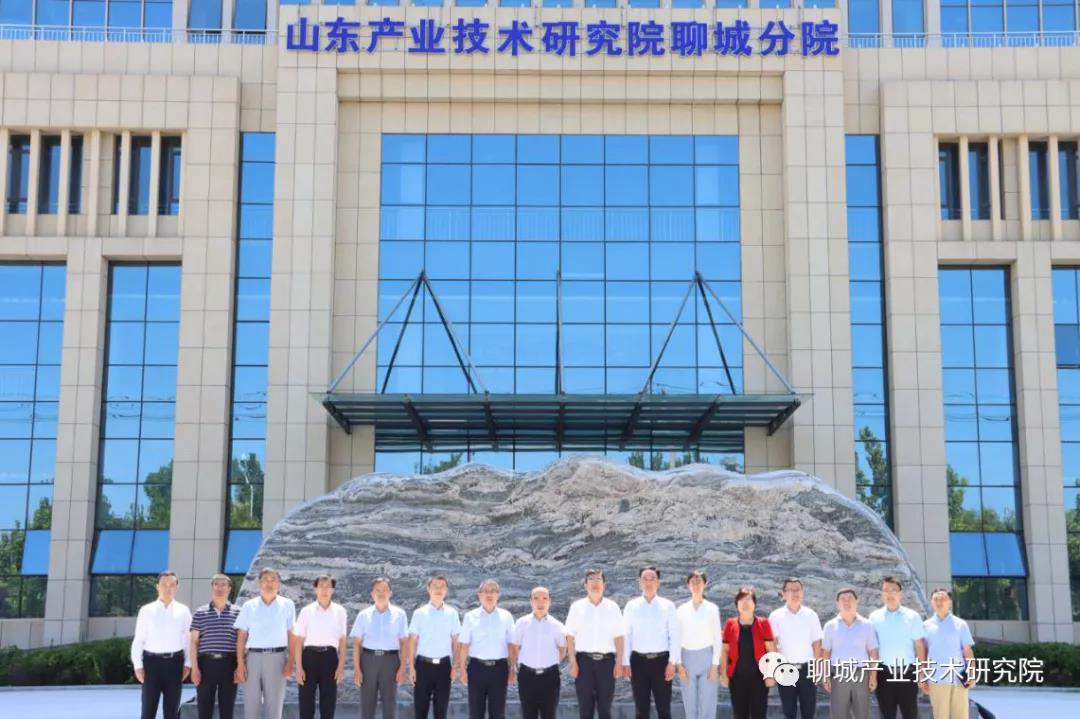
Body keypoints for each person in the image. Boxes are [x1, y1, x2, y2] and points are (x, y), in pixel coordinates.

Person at [235, 567, 297, 719]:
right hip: (253, 658)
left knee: (274, 704)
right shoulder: (249, 606)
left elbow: (292, 635)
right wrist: (240, 664)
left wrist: (291, 662)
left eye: (273, 580)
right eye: (265, 580)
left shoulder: (287, 604)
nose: (269, 583)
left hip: (278, 657)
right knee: (251, 704)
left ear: (279, 583)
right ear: (259, 583)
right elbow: (241, 636)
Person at [131, 570, 192, 719]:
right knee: (148, 710)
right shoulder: (146, 610)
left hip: (175, 663)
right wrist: (138, 665)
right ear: (157, 586)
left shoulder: (183, 611)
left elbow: (189, 640)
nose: (168, 588)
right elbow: (139, 639)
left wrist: (188, 664)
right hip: (151, 664)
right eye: (164, 584)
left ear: (176, 587)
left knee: (171, 711)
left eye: (172, 584)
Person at [564, 568, 625, 719]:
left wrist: (619, 663)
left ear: (604, 585)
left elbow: (619, 636)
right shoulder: (577, 607)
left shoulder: (613, 607)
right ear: (585, 585)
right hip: (583, 663)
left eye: (598, 579)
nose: (595, 582)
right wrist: (573, 662)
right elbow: (570, 636)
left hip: (607, 664)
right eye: (591, 579)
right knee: (585, 709)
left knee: (605, 709)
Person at [622, 565, 680, 719]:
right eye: (645, 579)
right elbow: (626, 636)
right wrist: (625, 662)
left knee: (664, 710)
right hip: (638, 662)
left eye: (652, 578)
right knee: (641, 710)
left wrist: (672, 662)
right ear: (640, 582)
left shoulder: (668, 606)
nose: (648, 582)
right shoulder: (631, 606)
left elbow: (674, 636)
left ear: (658, 582)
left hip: (661, 662)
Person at [868, 576, 926, 719]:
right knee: (886, 714)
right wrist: (873, 675)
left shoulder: (912, 616)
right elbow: (872, 649)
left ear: (900, 593)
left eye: (893, 590)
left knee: (910, 714)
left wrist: (922, 673)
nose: (890, 593)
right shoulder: (874, 617)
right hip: (884, 673)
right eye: (886, 590)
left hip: (908, 673)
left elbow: (919, 645)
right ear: (882, 594)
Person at [352, 576, 409, 719]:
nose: (381, 593)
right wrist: (357, 669)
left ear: (390, 593)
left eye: (384, 590)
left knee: (390, 705)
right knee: (367, 705)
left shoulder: (400, 615)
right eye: (377, 590)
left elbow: (404, 643)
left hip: (391, 661)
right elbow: (357, 644)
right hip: (368, 661)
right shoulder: (363, 615)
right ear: (372, 594)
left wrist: (403, 667)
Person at [457, 578, 516, 719]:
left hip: (499, 669)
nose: (489, 594)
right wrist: (462, 669)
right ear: (479, 595)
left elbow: (511, 644)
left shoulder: (506, 616)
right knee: (475, 713)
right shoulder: (470, 616)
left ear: (498, 595)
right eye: (485, 591)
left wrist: (513, 668)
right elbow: (464, 645)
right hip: (476, 669)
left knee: (498, 713)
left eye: (493, 591)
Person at [293, 575, 347, 719]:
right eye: (321, 586)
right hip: (309, 658)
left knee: (328, 703)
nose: (324, 589)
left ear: (333, 590)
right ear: (315, 589)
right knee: (306, 703)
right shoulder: (306, 611)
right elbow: (298, 640)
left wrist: (341, 666)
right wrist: (298, 667)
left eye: (328, 586)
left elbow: (342, 640)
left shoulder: (340, 611)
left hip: (330, 658)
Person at [768, 578, 823, 719]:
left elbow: (817, 643)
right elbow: (773, 644)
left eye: (798, 589)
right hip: (785, 669)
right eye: (791, 590)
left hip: (808, 669)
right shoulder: (775, 616)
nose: (795, 593)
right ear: (783, 594)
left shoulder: (811, 615)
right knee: (789, 711)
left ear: (802, 592)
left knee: (809, 711)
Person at [407, 575, 461, 719]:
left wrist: (455, 666)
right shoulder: (419, 613)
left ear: (446, 590)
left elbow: (456, 641)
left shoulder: (452, 614)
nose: (438, 589)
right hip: (422, 666)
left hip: (444, 667)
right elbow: (412, 641)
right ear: (428, 589)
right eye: (435, 586)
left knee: (441, 711)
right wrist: (411, 667)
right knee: (420, 710)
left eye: (442, 586)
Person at [510, 586, 567, 719]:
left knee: (549, 715)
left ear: (550, 601)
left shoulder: (557, 625)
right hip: (527, 677)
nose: (540, 602)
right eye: (536, 598)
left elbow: (563, 649)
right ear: (531, 601)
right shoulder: (522, 623)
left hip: (550, 677)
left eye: (544, 598)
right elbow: (515, 647)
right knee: (528, 715)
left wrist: (550, 662)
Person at [719, 587, 776, 719]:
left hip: (759, 678)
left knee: (759, 714)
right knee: (739, 714)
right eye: (741, 600)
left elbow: (771, 650)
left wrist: (771, 675)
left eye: (749, 599)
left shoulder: (763, 623)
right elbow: (724, 651)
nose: (745, 603)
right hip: (737, 679)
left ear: (754, 604)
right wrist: (723, 674)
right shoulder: (730, 624)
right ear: (736, 604)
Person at [821, 589, 879, 719]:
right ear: (837, 603)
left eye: (850, 598)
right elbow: (826, 653)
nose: (847, 602)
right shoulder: (830, 626)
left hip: (861, 674)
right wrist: (825, 676)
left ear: (857, 601)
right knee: (839, 713)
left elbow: (872, 652)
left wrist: (873, 676)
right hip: (839, 674)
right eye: (843, 599)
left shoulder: (867, 625)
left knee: (862, 713)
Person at [191, 574, 241, 719]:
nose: (220, 588)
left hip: (229, 664)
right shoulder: (200, 612)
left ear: (229, 589)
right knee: (204, 709)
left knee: (227, 709)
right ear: (212, 587)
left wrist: (240, 666)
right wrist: (195, 668)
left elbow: (241, 642)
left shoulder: (238, 612)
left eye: (223, 584)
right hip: (206, 664)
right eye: (216, 584)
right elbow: (193, 642)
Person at [922, 589, 976, 719]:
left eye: (943, 599)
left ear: (950, 602)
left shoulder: (960, 624)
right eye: (935, 599)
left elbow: (967, 651)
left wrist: (972, 674)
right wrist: (922, 676)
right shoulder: (925, 626)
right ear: (931, 602)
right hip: (936, 677)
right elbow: (923, 653)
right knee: (940, 715)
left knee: (960, 715)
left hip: (958, 677)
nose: (939, 602)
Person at [675, 570, 722, 719]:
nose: (696, 585)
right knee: (690, 702)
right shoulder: (681, 610)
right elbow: (676, 639)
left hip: (707, 657)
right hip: (687, 658)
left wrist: (715, 665)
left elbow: (717, 638)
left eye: (699, 582)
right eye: (692, 582)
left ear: (705, 584)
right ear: (688, 585)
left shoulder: (712, 609)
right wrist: (679, 665)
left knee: (708, 701)